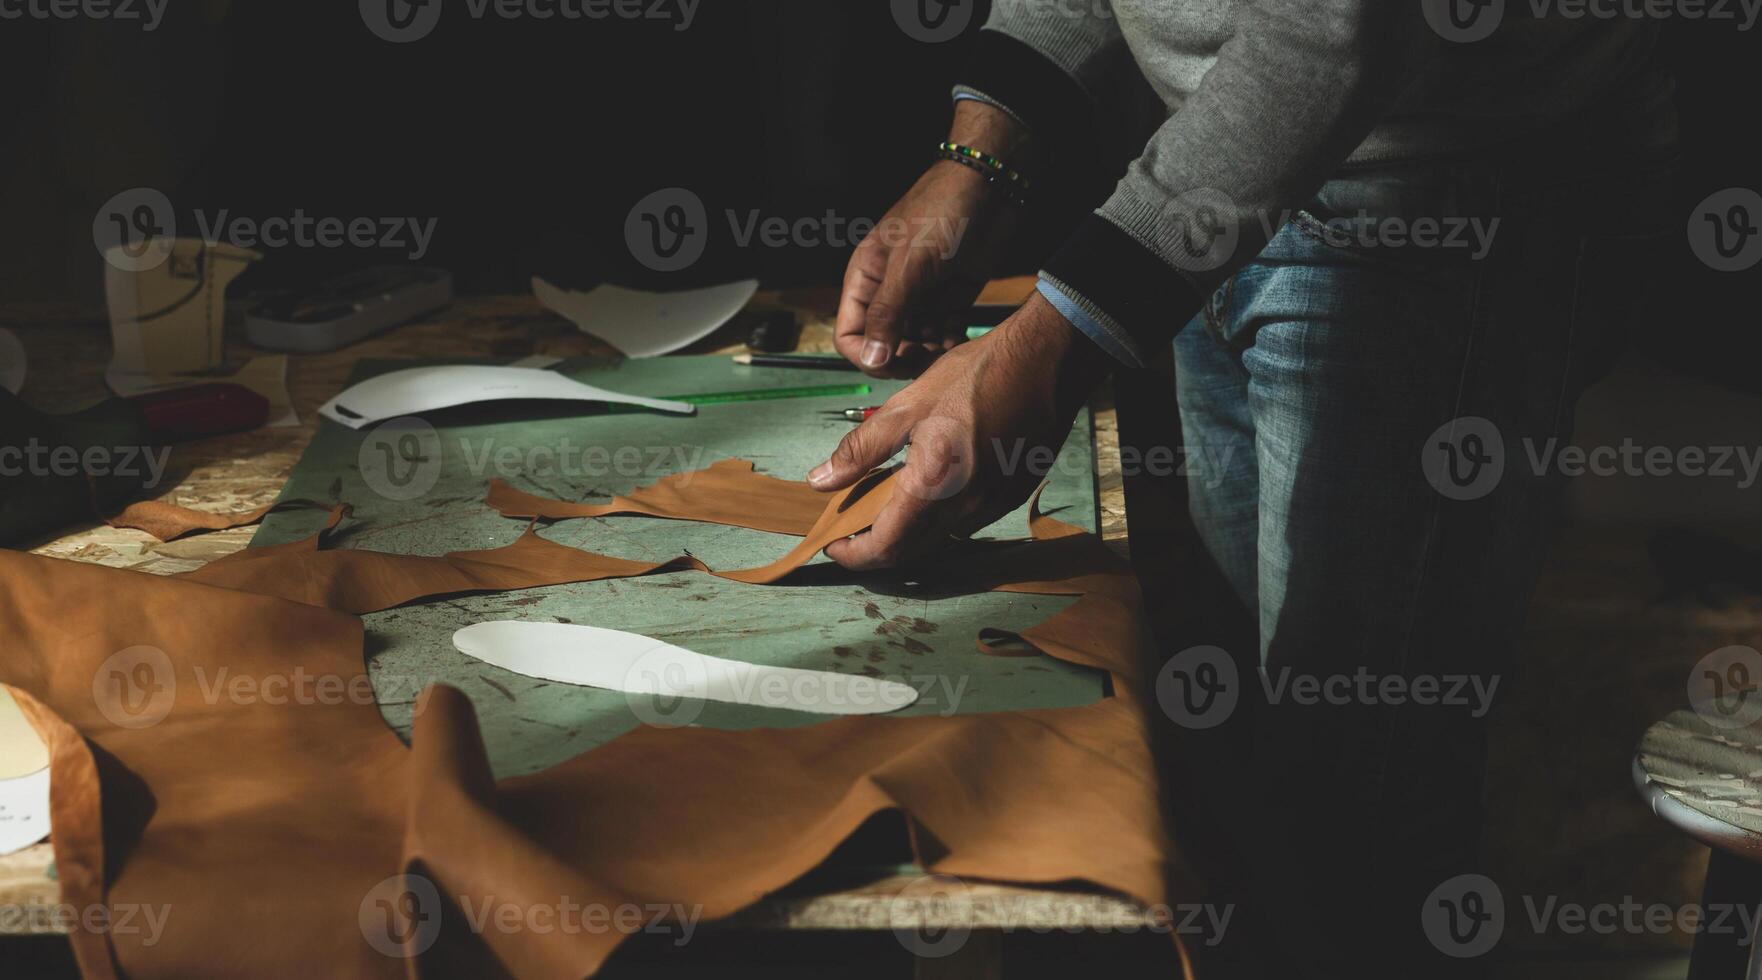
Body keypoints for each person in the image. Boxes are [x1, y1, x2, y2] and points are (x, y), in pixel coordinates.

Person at [809, 2, 1680, 976]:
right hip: (1214, 173)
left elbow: (1331, 30)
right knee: (1282, 748)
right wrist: (978, 158)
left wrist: (1052, 349)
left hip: (1432, 193)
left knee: (1354, 800)